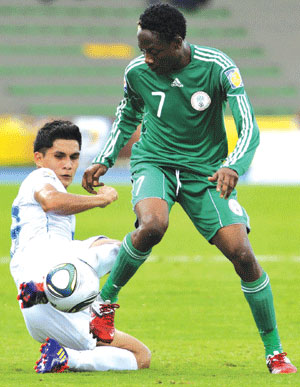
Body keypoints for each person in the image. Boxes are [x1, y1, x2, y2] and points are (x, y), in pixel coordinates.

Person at [82, 3, 296, 374]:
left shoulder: (219, 68)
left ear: (177, 42)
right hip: (155, 163)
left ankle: (274, 351)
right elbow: (127, 114)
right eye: (142, 49)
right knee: (152, 226)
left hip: (205, 173)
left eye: (153, 51)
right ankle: (104, 304)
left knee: (242, 254)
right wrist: (105, 156)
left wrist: (233, 165)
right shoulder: (137, 72)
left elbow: (249, 127)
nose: (146, 59)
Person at [10, 120, 151, 373]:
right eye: (59, 156)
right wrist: (100, 199)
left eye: (74, 157)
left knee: (113, 249)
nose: (68, 164)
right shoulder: (40, 177)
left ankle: (66, 352)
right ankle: (61, 294)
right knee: (124, 250)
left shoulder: (43, 199)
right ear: (39, 158)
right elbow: (51, 201)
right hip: (50, 272)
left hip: (39, 308)